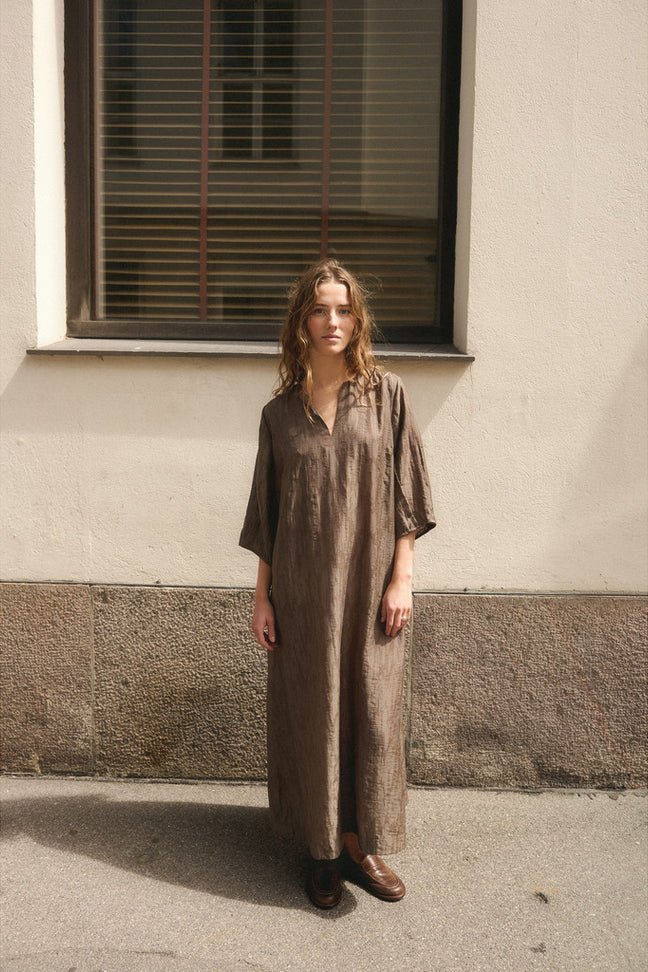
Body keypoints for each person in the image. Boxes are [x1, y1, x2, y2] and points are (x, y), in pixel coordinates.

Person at [239, 258, 435, 909]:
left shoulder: (387, 396)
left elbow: (409, 497)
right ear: (302, 321)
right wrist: (262, 598)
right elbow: (267, 517)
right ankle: (322, 849)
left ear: (358, 320)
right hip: (303, 595)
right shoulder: (280, 415)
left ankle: (361, 843)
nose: (333, 321)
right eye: (321, 309)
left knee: (372, 714)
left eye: (344, 310)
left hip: (370, 590)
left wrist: (402, 579)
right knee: (314, 714)